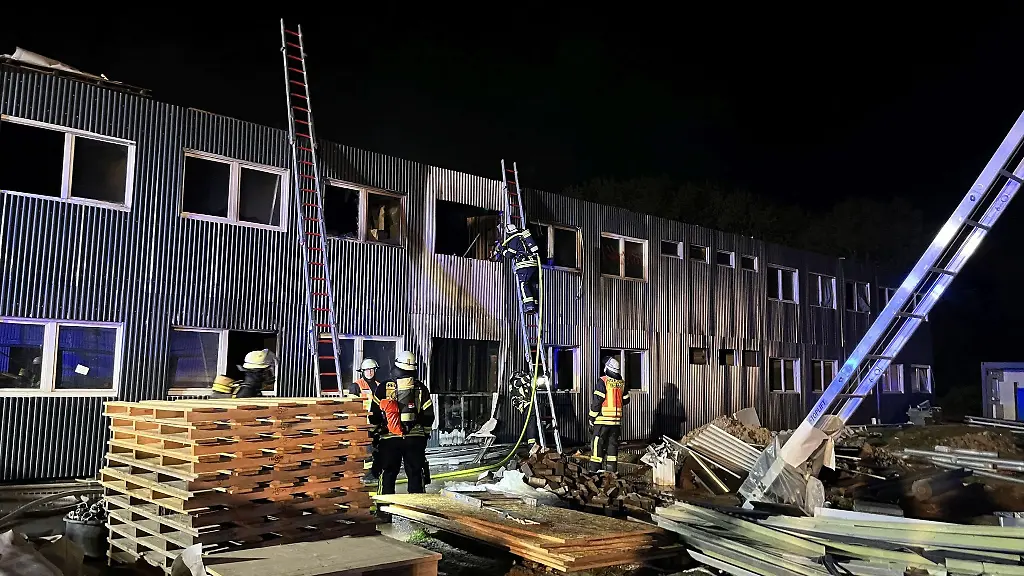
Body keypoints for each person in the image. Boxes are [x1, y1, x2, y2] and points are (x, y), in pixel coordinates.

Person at [369, 351, 434, 496]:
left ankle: (384, 513)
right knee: (416, 475)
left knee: (387, 475)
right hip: (414, 439)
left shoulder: (383, 388)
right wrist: (425, 435)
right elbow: (429, 415)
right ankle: (417, 513)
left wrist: (374, 435)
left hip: (389, 439)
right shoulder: (421, 389)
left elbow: (374, 415)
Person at [588, 357, 630, 472]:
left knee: (598, 444)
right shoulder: (621, 383)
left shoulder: (603, 381)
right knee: (612, 446)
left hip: (602, 420)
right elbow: (626, 400)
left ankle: (594, 471)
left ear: (607, 368)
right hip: (616, 423)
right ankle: (612, 471)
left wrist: (592, 416)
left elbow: (598, 401)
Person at [495, 223, 541, 315]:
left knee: (523, 284)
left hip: (524, 265)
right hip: (534, 265)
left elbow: (510, 255)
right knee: (532, 285)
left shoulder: (514, 239)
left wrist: (501, 249)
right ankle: (535, 304)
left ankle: (529, 306)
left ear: (508, 233)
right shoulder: (524, 237)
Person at [351, 358, 383, 483]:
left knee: (378, 450)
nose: (369, 372)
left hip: (377, 423)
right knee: (366, 451)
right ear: (362, 371)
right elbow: (352, 406)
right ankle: (365, 475)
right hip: (363, 424)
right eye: (367, 370)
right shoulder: (356, 386)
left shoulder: (379, 385)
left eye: (371, 369)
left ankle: (375, 474)